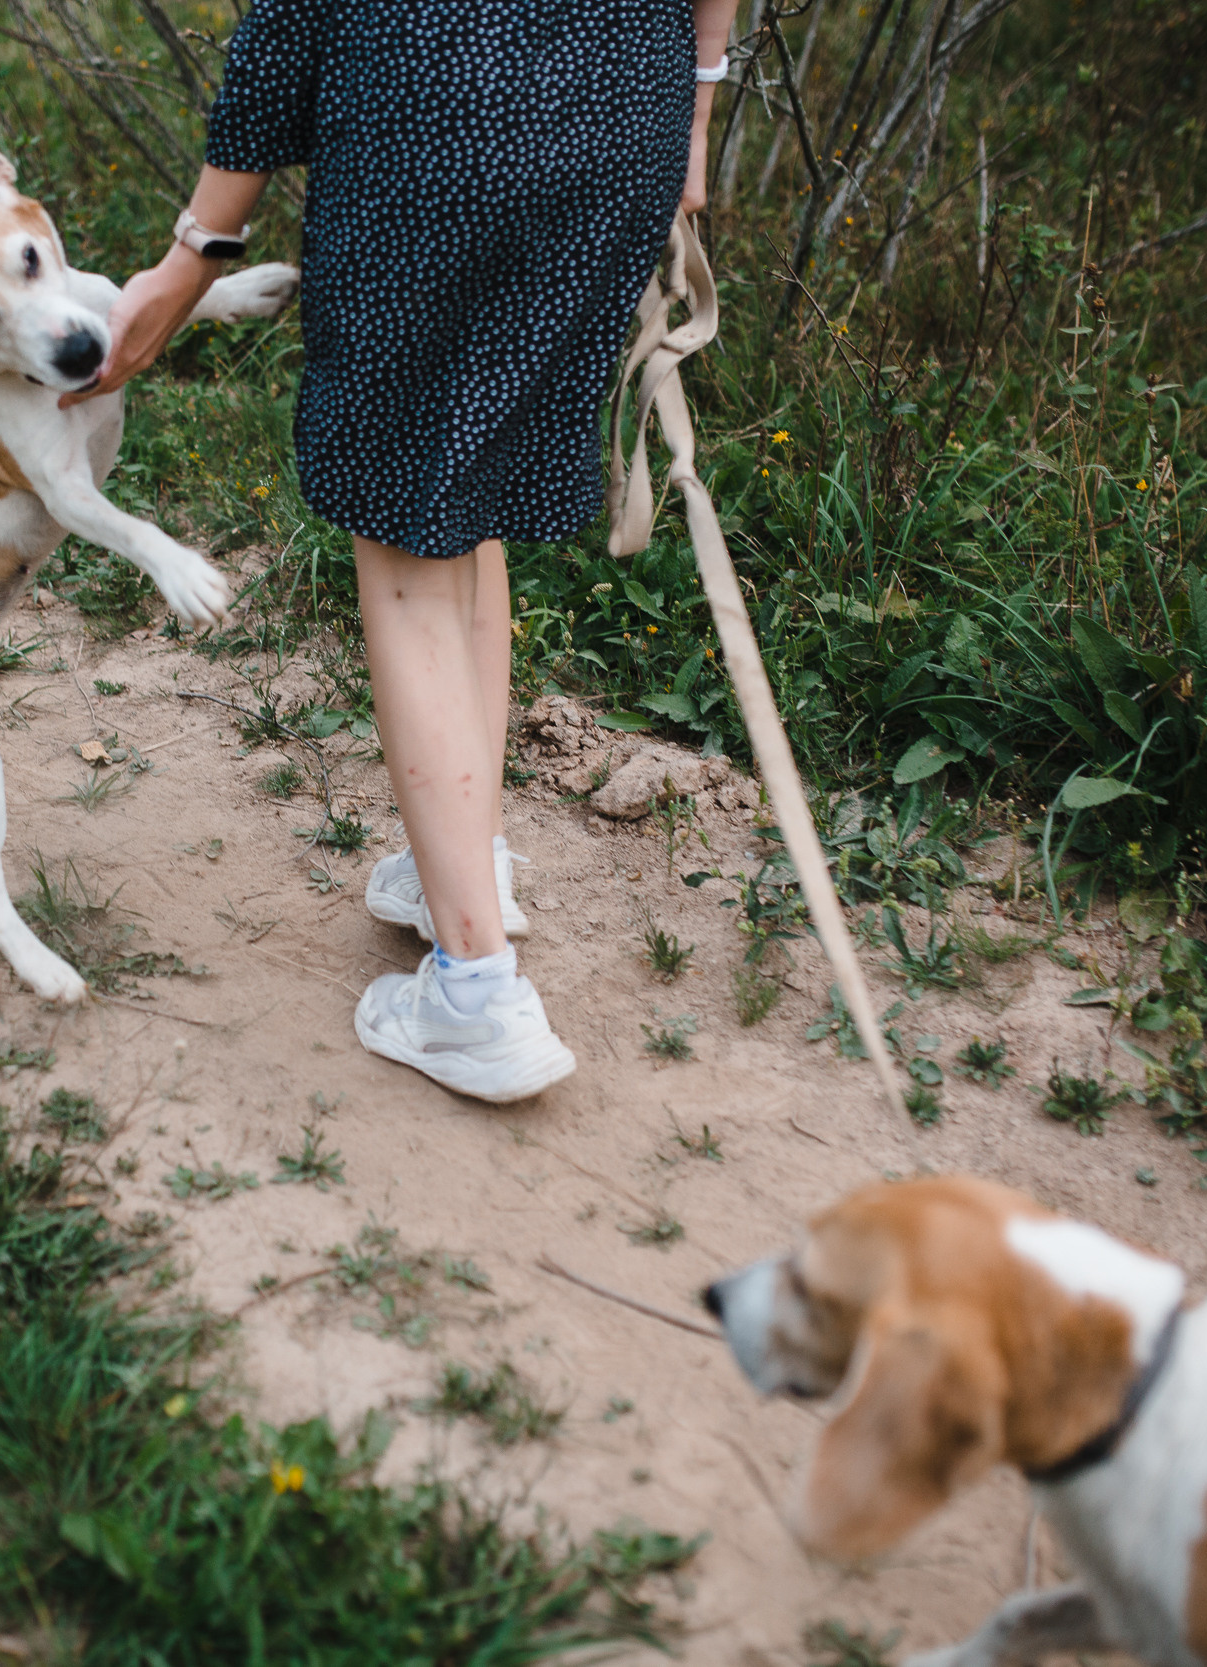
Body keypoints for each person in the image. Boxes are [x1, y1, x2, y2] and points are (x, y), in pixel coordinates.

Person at [77, 0, 741, 1102]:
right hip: (626, 100)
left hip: (432, 117)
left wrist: (191, 256)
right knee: (463, 496)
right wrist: (696, 110)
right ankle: (462, 870)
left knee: (405, 547)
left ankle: (476, 995)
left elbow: (289, 21)